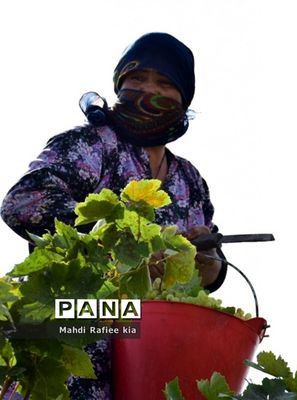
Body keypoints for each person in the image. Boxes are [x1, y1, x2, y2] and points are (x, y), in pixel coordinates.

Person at [0, 32, 226, 399]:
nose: (148, 89)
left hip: (152, 360)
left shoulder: (190, 180)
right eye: (136, 79)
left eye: (165, 83)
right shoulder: (89, 145)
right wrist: (118, 242)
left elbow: (209, 258)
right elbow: (24, 202)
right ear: (119, 85)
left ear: (184, 100)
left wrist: (213, 267)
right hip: (72, 331)